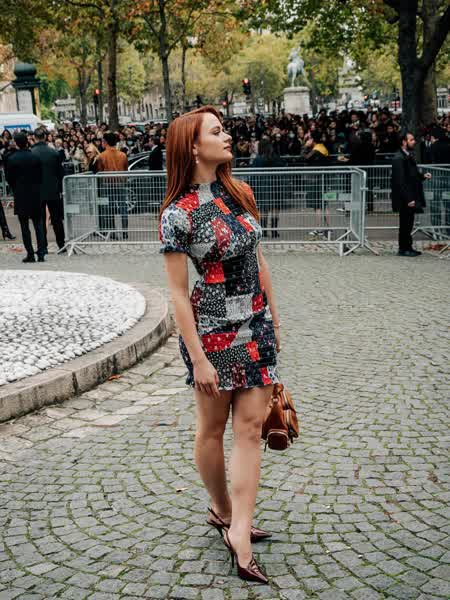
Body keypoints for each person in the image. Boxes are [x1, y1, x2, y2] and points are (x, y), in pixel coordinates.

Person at [159, 106, 281, 584]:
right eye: (216, 131)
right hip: (212, 333)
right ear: (192, 147)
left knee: (250, 429)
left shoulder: (240, 192)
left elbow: (258, 259)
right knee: (211, 430)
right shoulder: (178, 214)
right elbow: (176, 293)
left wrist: (273, 320)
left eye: (224, 129)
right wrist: (198, 358)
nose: (227, 135)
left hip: (256, 326)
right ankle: (223, 509)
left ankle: (240, 531)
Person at [5, 133, 45, 262]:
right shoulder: (35, 157)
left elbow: (9, 179)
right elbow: (40, 176)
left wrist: (16, 188)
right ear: (26, 142)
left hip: (21, 194)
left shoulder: (12, 159)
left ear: (16, 143)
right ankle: (41, 253)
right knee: (38, 224)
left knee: (24, 226)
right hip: (35, 193)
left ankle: (30, 254)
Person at [391, 131, 431, 256]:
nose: (414, 142)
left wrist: (422, 176)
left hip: (410, 195)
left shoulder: (407, 155)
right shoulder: (399, 158)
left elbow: (412, 174)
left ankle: (408, 247)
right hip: (405, 197)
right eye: (411, 140)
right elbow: (400, 181)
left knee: (409, 223)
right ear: (404, 142)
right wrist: (409, 199)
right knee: (405, 223)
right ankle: (403, 248)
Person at [31, 128, 66, 253]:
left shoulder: (32, 153)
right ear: (45, 137)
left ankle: (42, 246)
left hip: (37, 190)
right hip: (53, 189)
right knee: (57, 219)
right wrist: (61, 189)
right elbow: (60, 173)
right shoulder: (53, 152)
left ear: (34, 137)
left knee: (40, 219)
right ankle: (61, 244)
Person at [96, 132, 129, 240]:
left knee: (109, 209)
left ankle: (112, 231)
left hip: (107, 185)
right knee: (123, 207)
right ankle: (125, 231)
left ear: (105, 142)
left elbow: (100, 171)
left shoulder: (102, 156)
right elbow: (125, 170)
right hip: (120, 184)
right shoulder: (123, 155)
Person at [252, 137, 286, 238]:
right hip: (276, 185)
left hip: (262, 186)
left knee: (263, 208)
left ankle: (264, 231)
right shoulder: (276, 157)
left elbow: (254, 173)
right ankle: (274, 231)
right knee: (275, 207)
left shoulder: (258, 159)